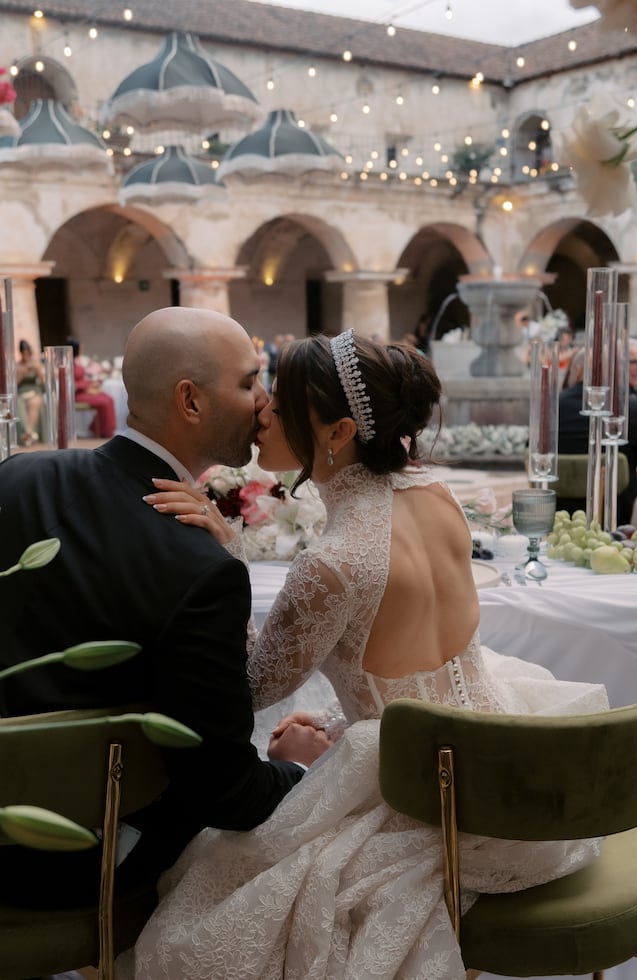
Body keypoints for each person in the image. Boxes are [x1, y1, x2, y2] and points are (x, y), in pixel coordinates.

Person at [124, 331, 608, 979]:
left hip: (413, 797)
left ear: (339, 430)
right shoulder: (437, 498)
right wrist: (333, 729)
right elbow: (396, 664)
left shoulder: (332, 563)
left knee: (193, 918)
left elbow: (247, 688)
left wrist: (223, 557)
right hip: (498, 757)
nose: (263, 408)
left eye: (282, 401)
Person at [0, 308, 321, 912]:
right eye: (250, 381)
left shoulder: (17, 477)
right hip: (84, 863)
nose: (262, 402)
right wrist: (298, 769)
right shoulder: (199, 570)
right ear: (190, 400)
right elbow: (227, 795)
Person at [557, 340, 637, 523]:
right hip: (617, 519)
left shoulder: (554, 406)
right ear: (616, 371)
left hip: (560, 515)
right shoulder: (631, 410)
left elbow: (532, 451)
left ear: (578, 370)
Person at [68, 336, 117, 438]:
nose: (82, 349)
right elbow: (73, 385)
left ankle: (102, 429)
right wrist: (88, 385)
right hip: (76, 395)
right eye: (81, 347)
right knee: (104, 402)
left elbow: (81, 380)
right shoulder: (68, 364)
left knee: (109, 398)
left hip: (83, 391)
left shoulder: (76, 361)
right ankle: (104, 431)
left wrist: (92, 383)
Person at [15, 338, 45, 446]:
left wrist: (38, 370)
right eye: (23, 352)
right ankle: (27, 433)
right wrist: (22, 373)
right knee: (18, 403)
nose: (25, 354)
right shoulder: (17, 365)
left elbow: (43, 383)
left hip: (34, 391)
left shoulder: (36, 363)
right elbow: (15, 384)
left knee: (34, 403)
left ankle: (28, 432)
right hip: (22, 392)